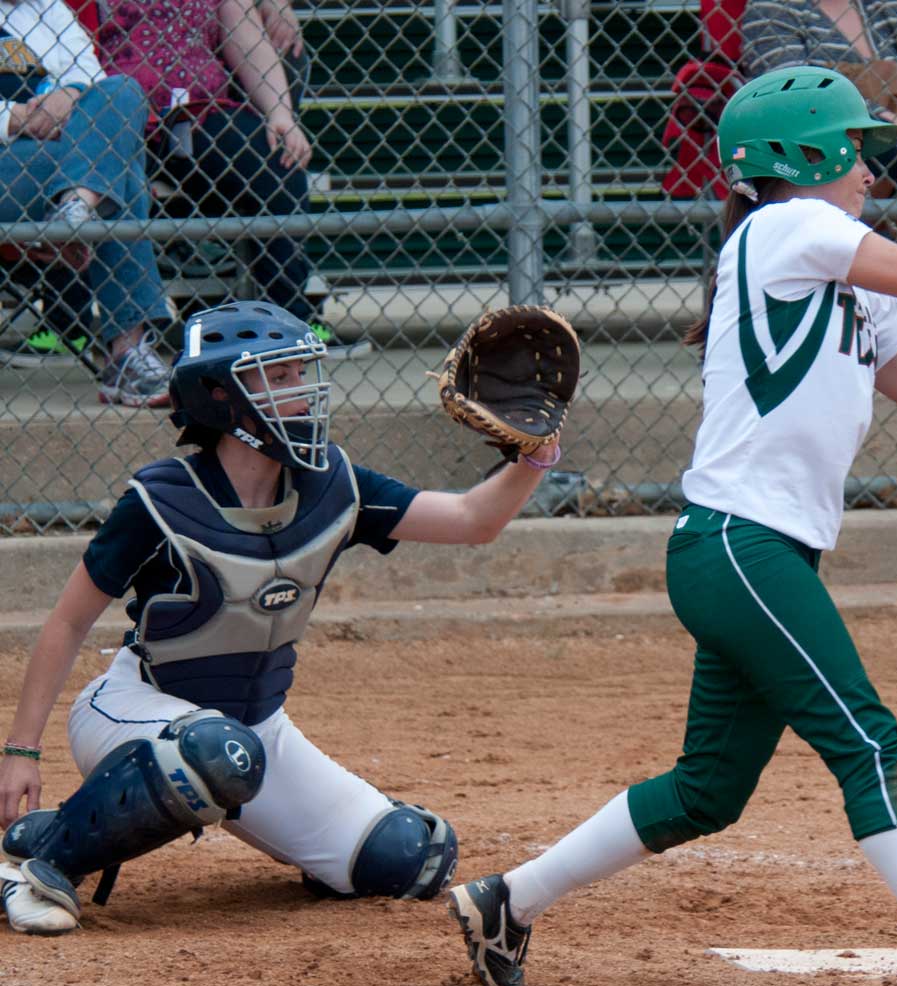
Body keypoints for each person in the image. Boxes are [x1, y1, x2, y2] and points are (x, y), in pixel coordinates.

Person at [447, 64, 897, 986]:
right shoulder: (783, 227)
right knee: (867, 742)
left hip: (757, 557)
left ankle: (507, 900)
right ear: (802, 156)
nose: (871, 171)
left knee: (707, 790)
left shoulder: (848, 274)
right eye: (856, 151)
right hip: (739, 545)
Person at [0, 300, 565, 936]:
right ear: (219, 394)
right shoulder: (160, 499)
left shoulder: (334, 483)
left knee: (409, 854)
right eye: (279, 376)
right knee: (217, 750)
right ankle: (36, 863)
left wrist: (535, 456)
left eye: (302, 373)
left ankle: (279, 830)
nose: (302, 390)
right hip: (134, 709)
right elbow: (67, 623)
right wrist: (21, 752)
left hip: (254, 735)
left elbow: (472, 521)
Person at [95, 0, 341, 348]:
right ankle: (75, 327)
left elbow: (246, 38)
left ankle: (285, 328)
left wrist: (280, 114)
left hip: (196, 113)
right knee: (91, 181)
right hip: (115, 118)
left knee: (277, 162)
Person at [0, 0, 173, 405]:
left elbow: (93, 79)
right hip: (10, 161)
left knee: (123, 91)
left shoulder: (47, 7)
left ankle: (74, 205)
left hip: (62, 156)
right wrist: (18, 117)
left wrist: (71, 94)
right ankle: (127, 353)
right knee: (120, 168)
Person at [740, 0, 897, 257]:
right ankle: (851, 257)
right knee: (872, 138)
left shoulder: (884, 5)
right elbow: (796, 87)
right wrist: (883, 118)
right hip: (824, 124)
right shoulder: (771, 9)